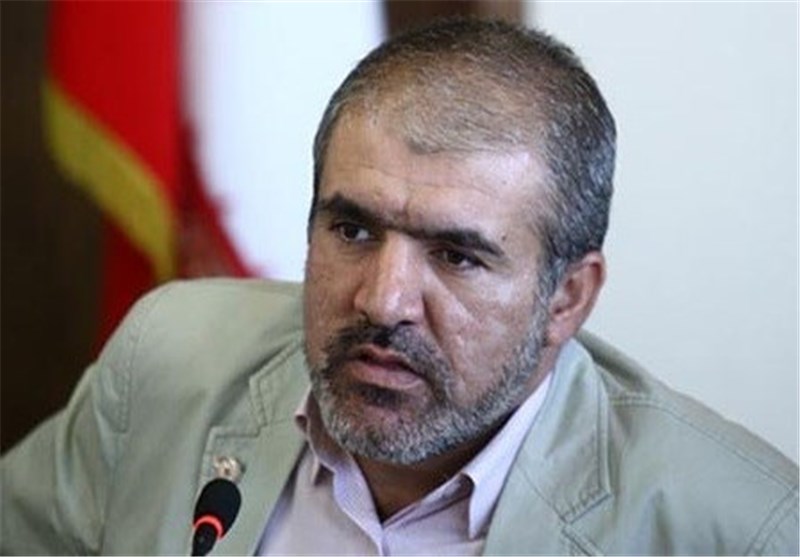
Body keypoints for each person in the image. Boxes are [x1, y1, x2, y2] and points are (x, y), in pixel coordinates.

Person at [2, 17, 797, 556]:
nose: (382, 301)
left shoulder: (740, 527)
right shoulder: (169, 362)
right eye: (352, 230)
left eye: (456, 256)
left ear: (568, 297)